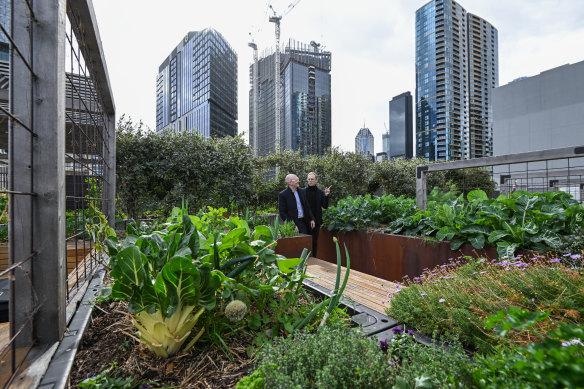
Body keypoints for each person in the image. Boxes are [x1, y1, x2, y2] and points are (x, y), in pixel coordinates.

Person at [304, 172, 331, 257]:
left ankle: (314, 258)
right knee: (305, 242)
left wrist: (326, 195)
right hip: (305, 221)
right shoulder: (303, 191)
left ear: (316, 180)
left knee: (314, 242)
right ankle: (305, 260)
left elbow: (325, 206)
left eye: (312, 179)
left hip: (317, 220)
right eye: (309, 179)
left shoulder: (320, 192)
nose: (310, 181)